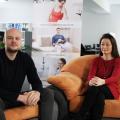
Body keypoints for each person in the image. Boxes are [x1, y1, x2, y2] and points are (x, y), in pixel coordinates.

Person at [0, 28, 55, 120]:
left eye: (17, 38)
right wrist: (19, 97)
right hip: (2, 98)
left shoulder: (25, 58)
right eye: (10, 38)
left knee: (47, 93)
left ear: (20, 42)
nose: (14, 41)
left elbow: (36, 81)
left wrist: (37, 92)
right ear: (4, 40)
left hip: (18, 96)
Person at [66, 33, 120, 120]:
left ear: (113, 46)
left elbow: (115, 77)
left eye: (107, 44)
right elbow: (91, 74)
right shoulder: (96, 60)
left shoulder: (117, 60)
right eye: (102, 44)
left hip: (111, 90)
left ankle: (81, 114)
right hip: (98, 87)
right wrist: (91, 80)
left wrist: (103, 81)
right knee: (99, 96)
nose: (104, 47)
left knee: (95, 88)